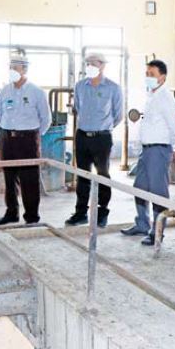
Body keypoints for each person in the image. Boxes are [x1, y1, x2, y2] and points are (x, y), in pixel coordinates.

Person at [121, 59, 175, 246]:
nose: (148, 77)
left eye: (152, 74)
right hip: (147, 150)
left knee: (157, 192)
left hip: (159, 150)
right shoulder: (151, 96)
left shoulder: (165, 98)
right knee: (139, 187)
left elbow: (174, 127)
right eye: (147, 74)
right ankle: (142, 223)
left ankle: (157, 232)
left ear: (162, 77)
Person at [65, 53, 123, 228]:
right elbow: (78, 108)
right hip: (82, 136)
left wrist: (103, 128)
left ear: (102, 66)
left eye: (93, 63)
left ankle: (102, 212)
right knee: (83, 175)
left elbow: (118, 115)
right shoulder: (80, 86)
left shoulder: (113, 88)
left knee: (103, 175)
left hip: (102, 138)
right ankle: (81, 212)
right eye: (87, 63)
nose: (89, 66)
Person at [0, 51, 51, 226]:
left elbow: (46, 118)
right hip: (7, 139)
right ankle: (11, 213)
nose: (12, 71)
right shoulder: (4, 91)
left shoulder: (36, 92)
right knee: (9, 178)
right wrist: (7, 131)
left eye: (15, 68)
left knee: (29, 179)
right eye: (10, 67)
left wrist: (33, 136)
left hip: (28, 140)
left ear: (24, 70)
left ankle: (32, 216)